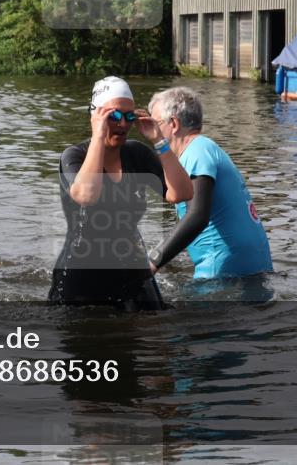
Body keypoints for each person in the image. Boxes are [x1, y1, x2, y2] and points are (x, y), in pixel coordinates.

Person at [48, 76, 193, 309]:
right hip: (81, 275)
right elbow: (87, 195)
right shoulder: (73, 156)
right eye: (114, 116)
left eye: (129, 116)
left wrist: (159, 141)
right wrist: (98, 135)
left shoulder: (137, 153)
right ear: (96, 116)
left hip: (131, 269)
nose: (123, 124)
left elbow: (182, 193)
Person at [146, 87, 273, 279]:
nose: (151, 132)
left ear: (173, 124)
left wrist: (153, 261)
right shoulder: (205, 148)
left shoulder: (197, 151)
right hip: (249, 265)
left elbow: (197, 216)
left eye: (155, 124)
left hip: (223, 268)